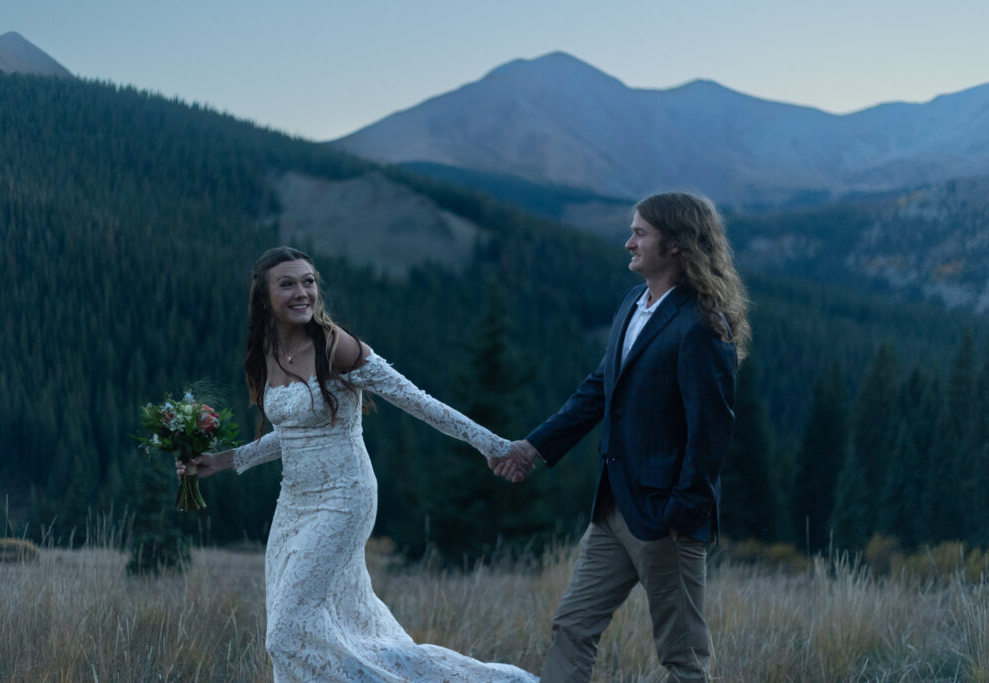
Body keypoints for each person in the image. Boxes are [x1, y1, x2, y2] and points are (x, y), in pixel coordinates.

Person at [179, 246, 536, 682]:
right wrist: (222, 461)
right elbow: (293, 433)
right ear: (263, 297)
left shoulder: (337, 348)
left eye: (308, 281)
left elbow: (420, 402)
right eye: (287, 283)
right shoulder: (269, 352)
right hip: (292, 505)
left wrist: (493, 444)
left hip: (344, 499)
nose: (301, 292)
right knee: (347, 630)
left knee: (286, 634)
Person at [493, 192, 749, 682]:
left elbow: (711, 432)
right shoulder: (633, 303)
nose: (628, 241)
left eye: (640, 233)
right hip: (612, 510)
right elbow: (598, 389)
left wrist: (681, 513)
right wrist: (534, 446)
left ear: (674, 244)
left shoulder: (702, 324)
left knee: (683, 657)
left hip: (665, 519)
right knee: (572, 626)